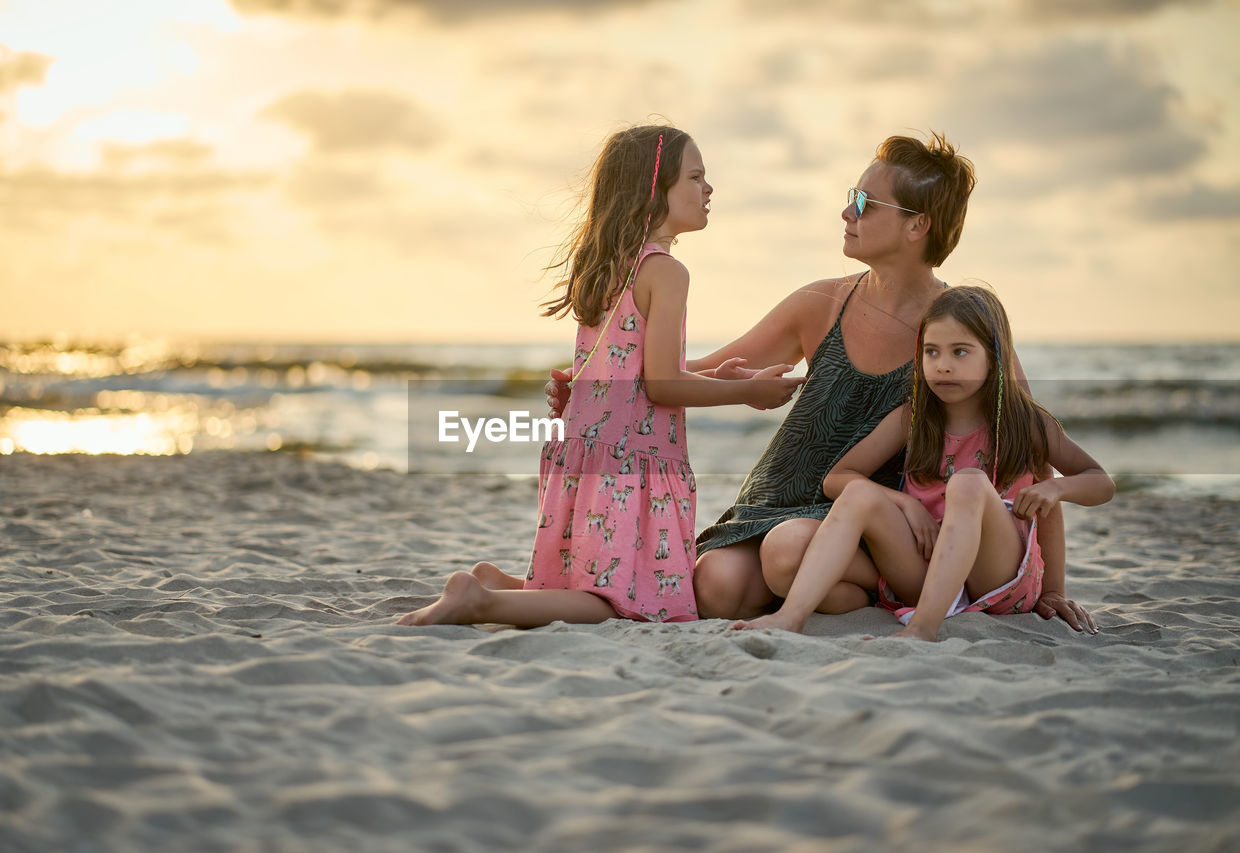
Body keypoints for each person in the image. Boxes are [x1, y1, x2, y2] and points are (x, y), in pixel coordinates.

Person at [547, 133, 1097, 633]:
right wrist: (597, 387)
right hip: (780, 497)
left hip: (870, 522)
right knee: (714, 588)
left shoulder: (957, 332)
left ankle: (867, 589)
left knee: (787, 555)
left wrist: (1052, 591)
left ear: (916, 225)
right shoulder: (822, 302)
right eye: (849, 197)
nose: (846, 211)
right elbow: (696, 371)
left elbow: (1031, 452)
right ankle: (836, 593)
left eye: (863, 202)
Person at [398, 124, 803, 628]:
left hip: (585, 450)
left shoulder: (607, 263)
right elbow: (662, 386)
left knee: (593, 582)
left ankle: (497, 584)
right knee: (626, 606)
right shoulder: (667, 272)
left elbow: (633, 370)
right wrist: (747, 392)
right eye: (696, 177)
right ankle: (482, 601)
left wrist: (712, 372)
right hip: (631, 463)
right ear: (655, 191)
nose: (708, 189)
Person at [731, 285, 1115, 640]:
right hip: (925, 569)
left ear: (995, 356)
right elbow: (838, 479)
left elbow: (1100, 481)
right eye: (932, 352)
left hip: (996, 578)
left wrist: (1056, 488)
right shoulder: (913, 417)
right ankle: (791, 616)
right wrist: (905, 503)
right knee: (859, 494)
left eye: (960, 352)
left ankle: (923, 628)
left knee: (967, 483)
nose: (943, 365)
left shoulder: (1024, 421)